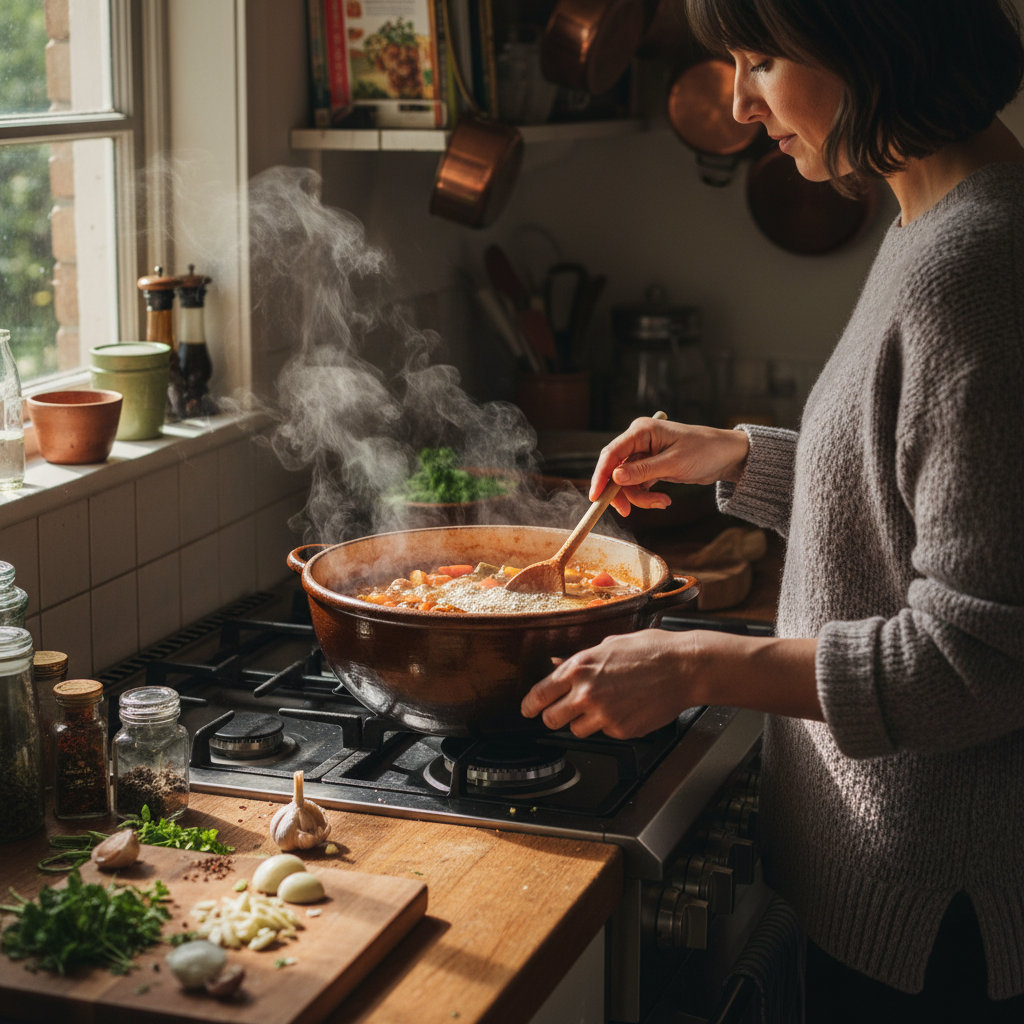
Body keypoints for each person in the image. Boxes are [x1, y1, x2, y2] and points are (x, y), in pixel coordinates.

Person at [520, 1, 1024, 1021]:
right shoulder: (933, 217)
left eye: (758, 61)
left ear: (869, 40)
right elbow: (918, 498)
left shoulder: (974, 267)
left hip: (935, 922)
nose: (742, 104)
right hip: (881, 887)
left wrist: (701, 662)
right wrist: (739, 457)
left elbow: (979, 661)